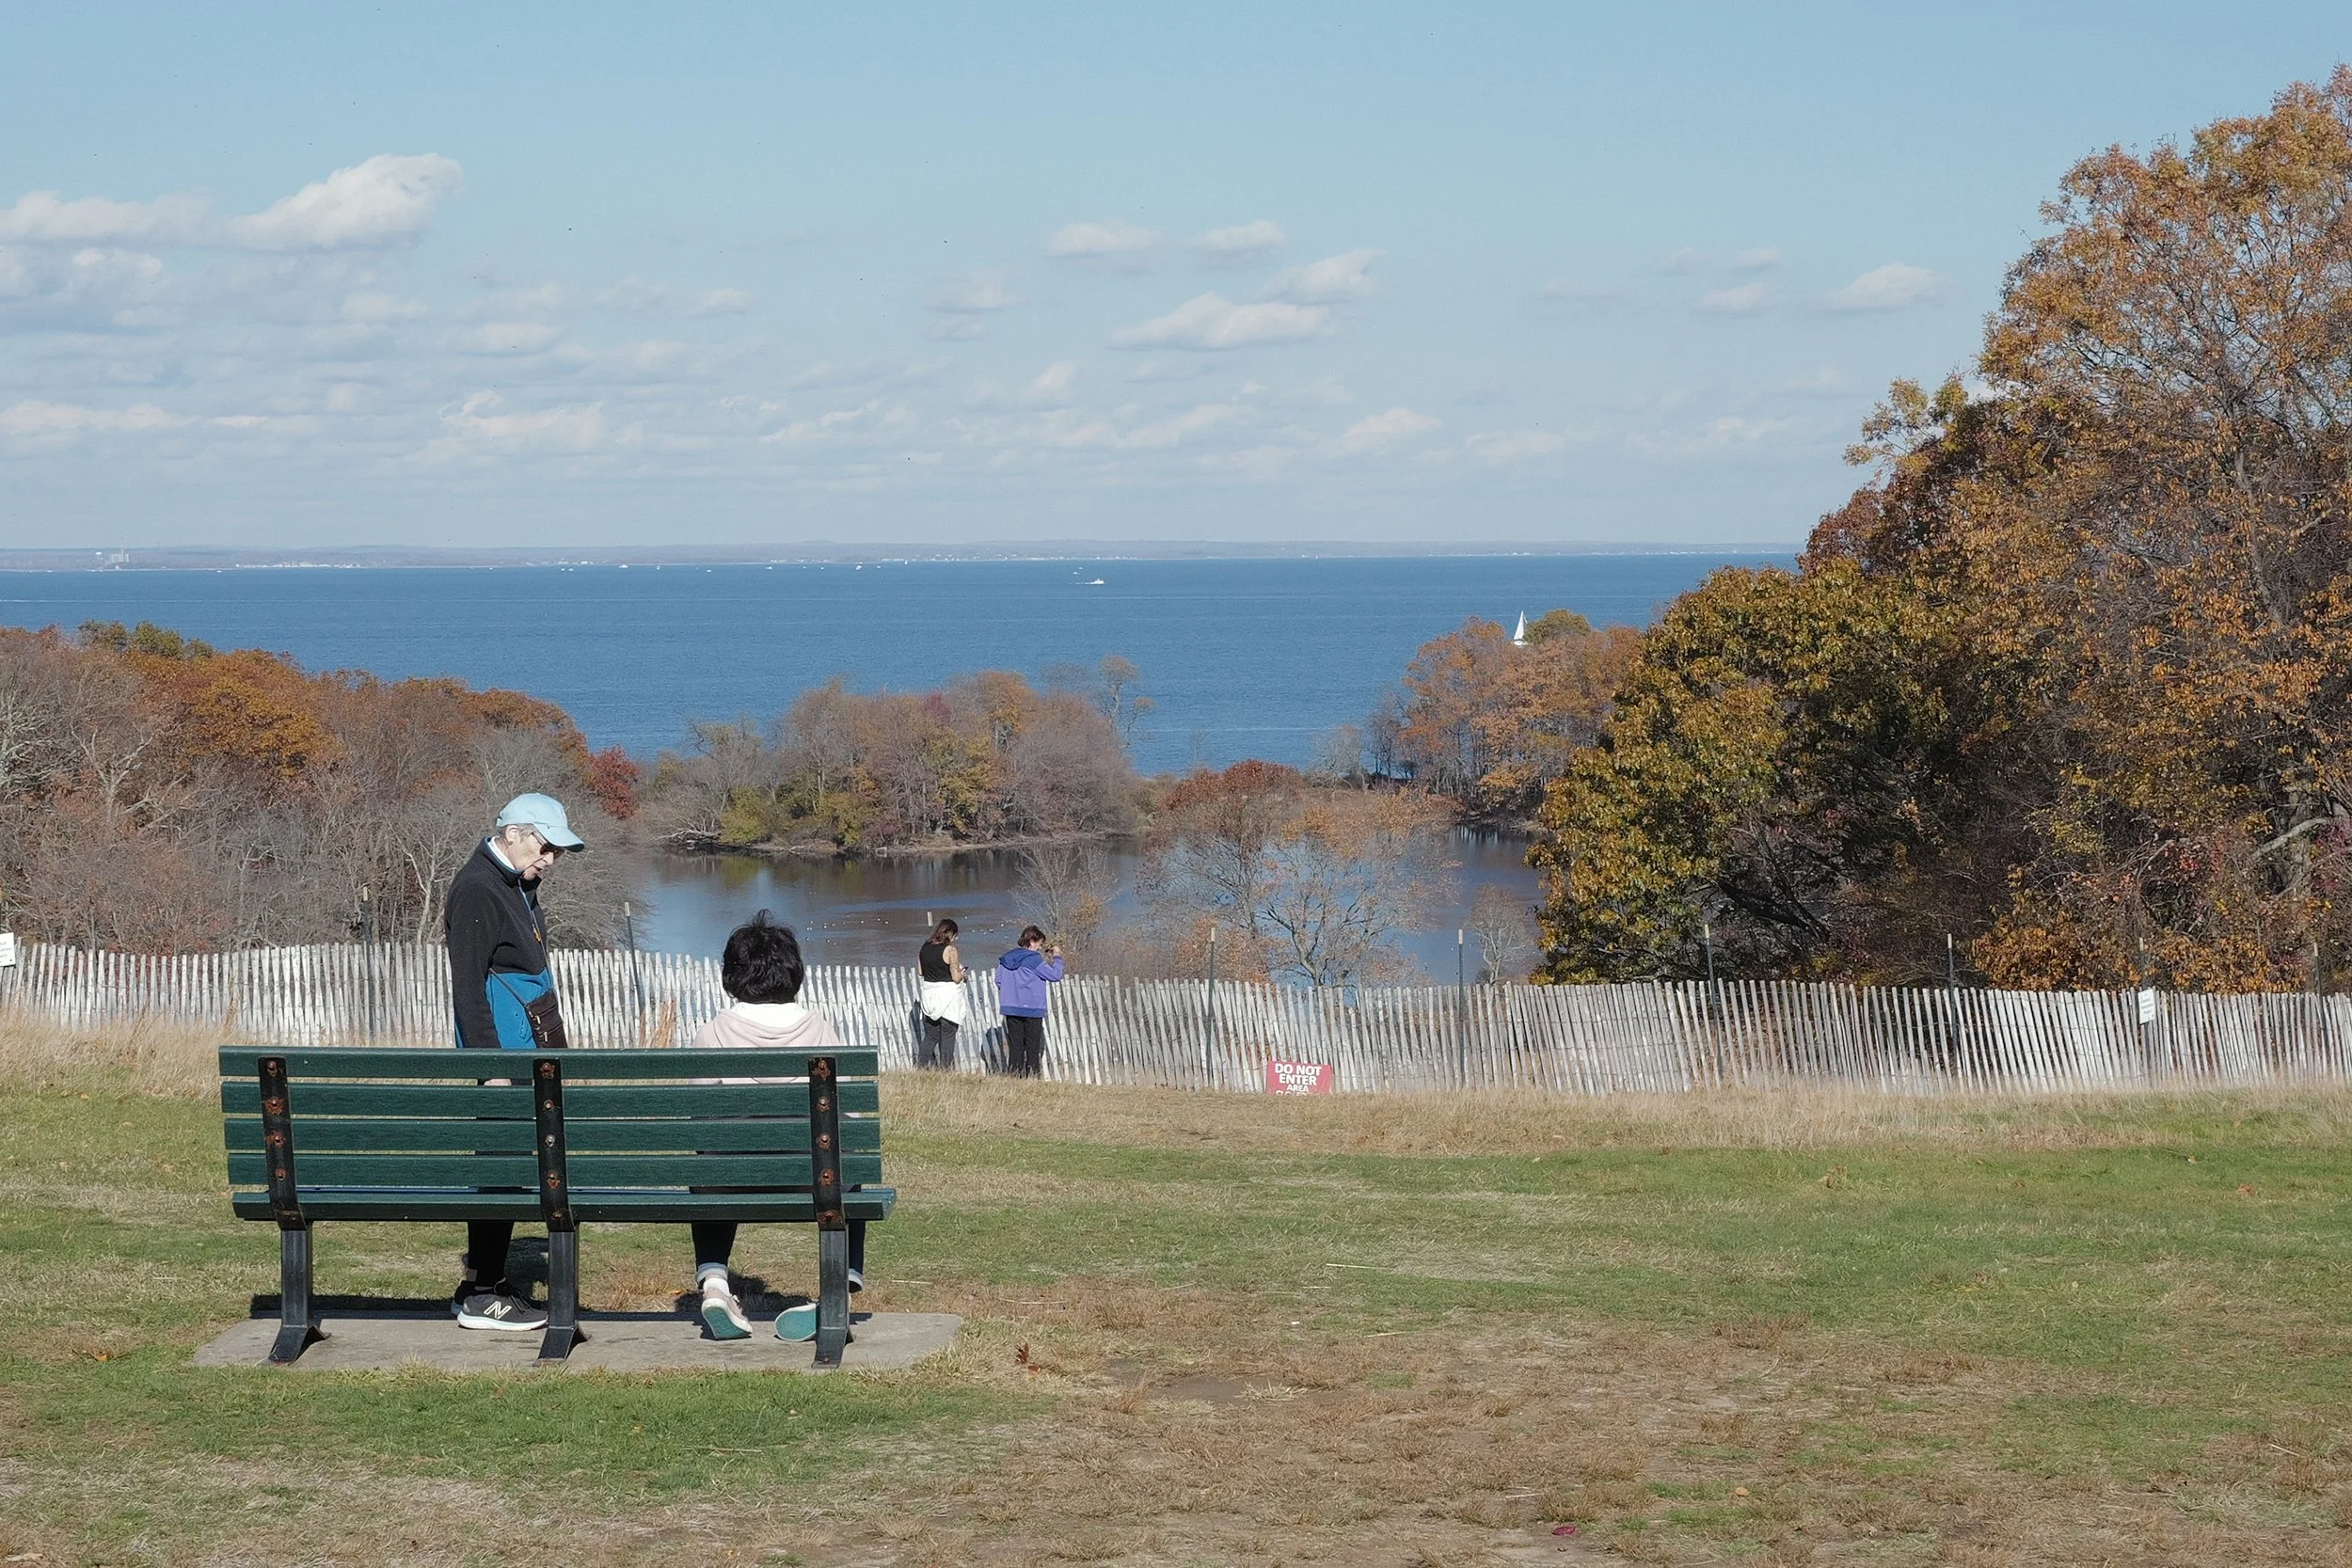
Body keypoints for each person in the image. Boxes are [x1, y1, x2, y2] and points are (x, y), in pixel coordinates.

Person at [688, 911, 869, 1343]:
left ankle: (715, 1285)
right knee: (857, 1171)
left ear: (732, 976)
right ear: (794, 973)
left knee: (708, 1165)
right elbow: (852, 1117)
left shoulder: (712, 1033)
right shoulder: (821, 1031)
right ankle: (838, 1287)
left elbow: (697, 1120)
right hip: (814, 1181)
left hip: (730, 1181)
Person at [445, 792, 585, 1332]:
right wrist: (491, 1065)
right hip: (501, 1051)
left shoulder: (513, 883)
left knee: (507, 1163)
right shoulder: (478, 889)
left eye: (557, 852)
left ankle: (484, 1280)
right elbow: (468, 989)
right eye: (546, 847)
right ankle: (483, 1293)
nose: (551, 859)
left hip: (522, 1040)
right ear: (515, 833)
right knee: (500, 1165)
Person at [994, 925, 1065, 1078]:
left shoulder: (1005, 958)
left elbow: (998, 980)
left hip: (1011, 1007)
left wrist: (1012, 991)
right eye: (1039, 944)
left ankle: (1014, 1078)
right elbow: (1055, 975)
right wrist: (1057, 957)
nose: (1039, 947)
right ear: (1032, 941)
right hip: (1032, 1008)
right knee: (1032, 1048)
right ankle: (1032, 1078)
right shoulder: (1034, 960)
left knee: (1016, 1048)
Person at [915, 917, 968, 1069]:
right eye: (955, 935)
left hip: (930, 996)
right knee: (948, 1036)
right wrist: (963, 973)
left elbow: (920, 971)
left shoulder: (924, 948)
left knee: (930, 1036)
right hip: (948, 997)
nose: (955, 939)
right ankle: (946, 1071)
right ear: (949, 934)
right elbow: (955, 977)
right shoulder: (950, 950)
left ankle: (921, 1067)